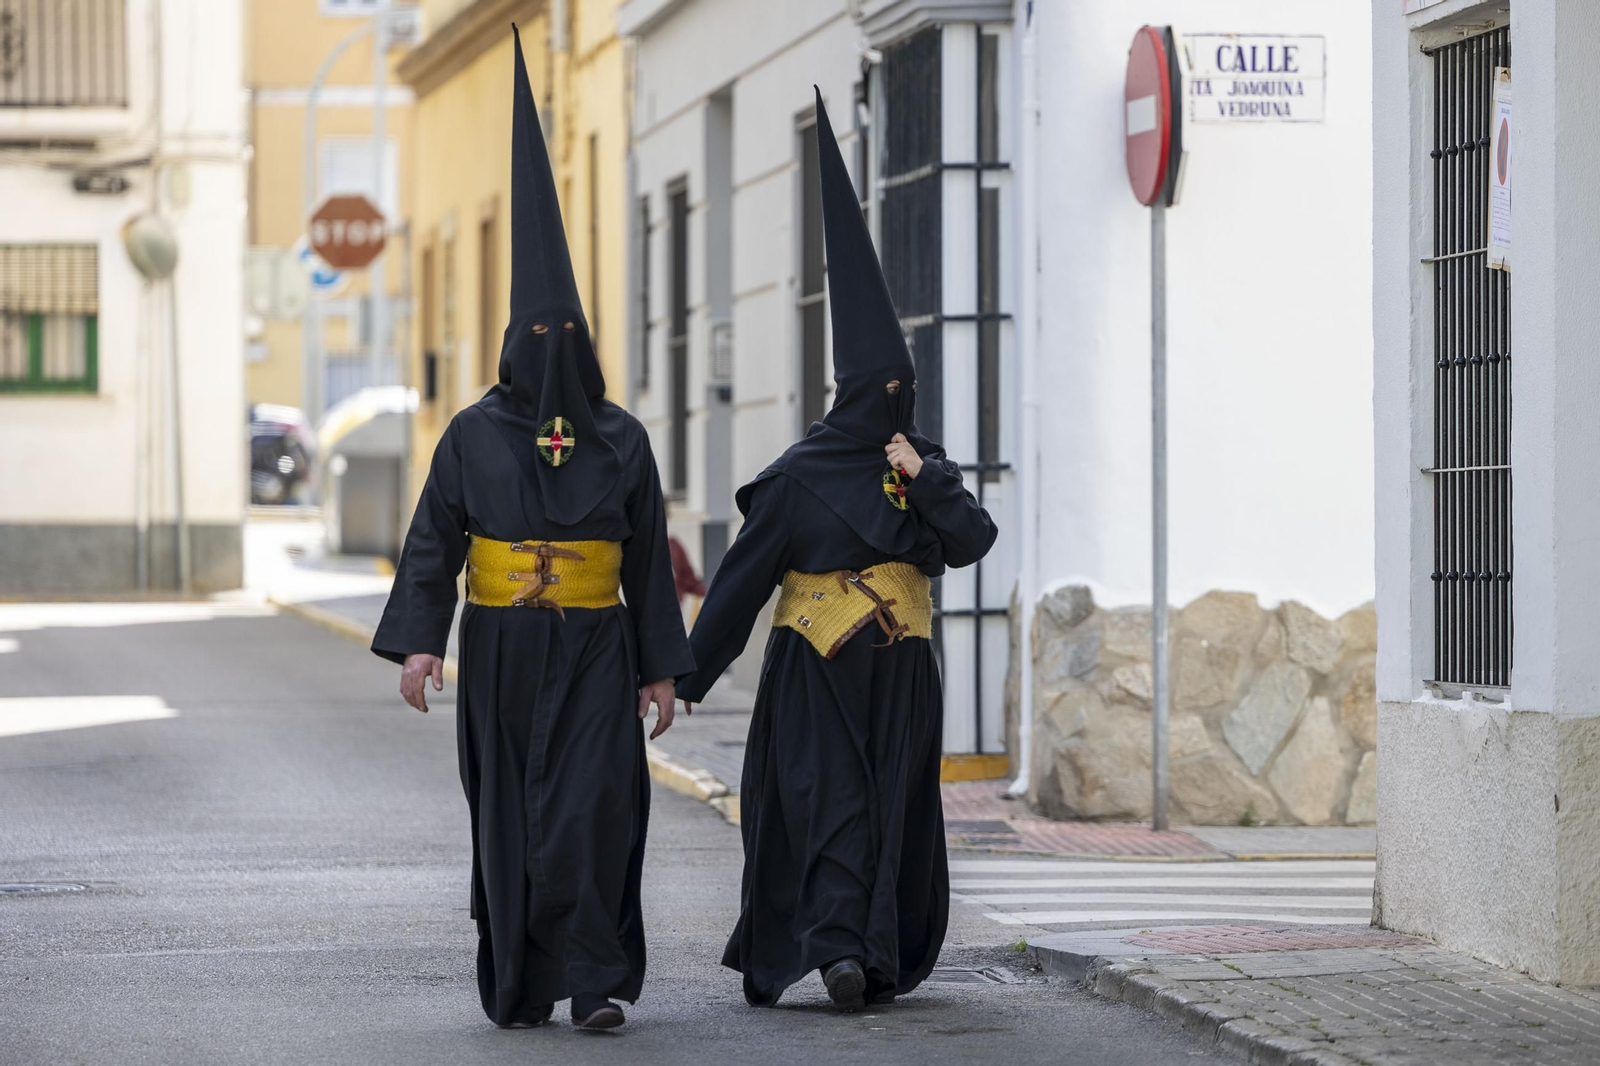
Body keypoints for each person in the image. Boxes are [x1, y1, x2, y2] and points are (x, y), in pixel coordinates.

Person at [369, 27, 691, 1032]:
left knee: (599, 810)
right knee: (511, 815)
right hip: (502, 648)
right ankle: (520, 979)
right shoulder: (471, 436)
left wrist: (658, 666)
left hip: (596, 646)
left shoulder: (623, 440)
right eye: (536, 338)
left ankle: (595, 979)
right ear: (513, 342)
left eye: (566, 339)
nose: (550, 356)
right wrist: (422, 643)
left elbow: (645, 558)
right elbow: (434, 543)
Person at [674, 89, 998, 1011]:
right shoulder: (796, 476)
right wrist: (681, 676)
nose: (898, 398)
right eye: (884, 387)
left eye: (907, 386)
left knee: (893, 810)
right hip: (813, 670)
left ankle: (878, 952)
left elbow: (970, 542)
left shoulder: (922, 465)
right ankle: (834, 950)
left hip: (900, 677)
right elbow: (738, 585)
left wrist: (925, 476)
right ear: (856, 390)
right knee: (829, 810)